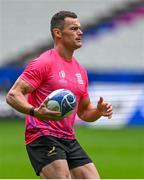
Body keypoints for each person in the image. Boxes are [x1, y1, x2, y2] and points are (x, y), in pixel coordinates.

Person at [6, 10, 113, 179]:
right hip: (42, 135)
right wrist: (35, 111)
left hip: (69, 138)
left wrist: (98, 111)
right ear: (58, 33)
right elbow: (13, 95)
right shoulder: (44, 62)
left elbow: (84, 112)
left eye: (80, 28)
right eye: (74, 28)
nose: (80, 32)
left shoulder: (80, 71)